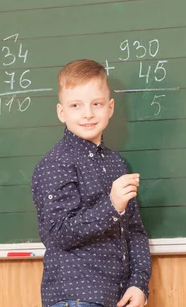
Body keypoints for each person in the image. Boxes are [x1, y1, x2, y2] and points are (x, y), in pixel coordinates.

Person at [31, 59, 151, 307]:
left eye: (96, 104)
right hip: (75, 298)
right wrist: (112, 205)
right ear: (61, 112)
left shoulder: (116, 163)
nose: (87, 114)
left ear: (110, 107)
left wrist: (139, 284)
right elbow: (57, 235)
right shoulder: (56, 164)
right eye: (76, 105)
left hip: (115, 297)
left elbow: (135, 231)